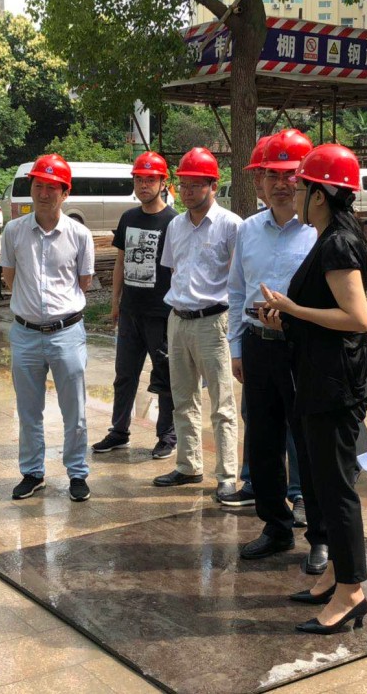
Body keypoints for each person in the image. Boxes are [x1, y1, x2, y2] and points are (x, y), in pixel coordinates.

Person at [260, 143, 367, 634]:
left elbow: (357, 318)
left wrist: (293, 309)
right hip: (320, 378)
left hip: (335, 386)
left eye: (303, 187)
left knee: (336, 489)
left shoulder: (337, 243)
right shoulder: (330, 237)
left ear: (322, 195)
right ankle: (336, 575)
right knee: (325, 486)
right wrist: (288, 320)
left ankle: (351, 592)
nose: (296, 194)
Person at [225, 130, 320, 563]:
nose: (282, 184)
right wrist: (236, 348)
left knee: (309, 442)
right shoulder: (248, 230)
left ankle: (320, 535)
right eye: (272, 175)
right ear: (260, 180)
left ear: (306, 178)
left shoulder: (318, 231)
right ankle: (275, 526)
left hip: (302, 349)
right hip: (257, 346)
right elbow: (236, 291)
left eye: (290, 174)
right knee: (263, 443)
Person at [0, 154, 95, 503]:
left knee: (75, 411)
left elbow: (84, 282)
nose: (44, 194)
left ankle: (77, 473)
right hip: (25, 334)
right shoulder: (14, 232)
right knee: (28, 411)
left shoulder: (79, 234)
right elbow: (9, 277)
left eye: (52, 188)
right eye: (39, 186)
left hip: (66, 333)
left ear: (65, 193)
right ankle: (32, 473)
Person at [153, 147, 241, 498]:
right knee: (183, 397)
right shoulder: (175, 225)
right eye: (183, 184)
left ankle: (227, 474)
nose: (187, 191)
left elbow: (239, 277)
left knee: (221, 402)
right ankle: (188, 465)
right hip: (178, 319)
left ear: (213, 186)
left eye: (195, 185)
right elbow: (174, 270)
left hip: (213, 321)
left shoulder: (230, 225)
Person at [93, 152, 178, 459]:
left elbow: (178, 268)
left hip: (161, 314)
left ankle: (167, 435)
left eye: (150, 179)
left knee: (165, 377)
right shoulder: (128, 218)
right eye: (139, 179)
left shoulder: (173, 222)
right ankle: (119, 431)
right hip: (130, 312)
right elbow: (121, 261)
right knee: (124, 375)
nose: (144, 185)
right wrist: (115, 303)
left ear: (163, 182)